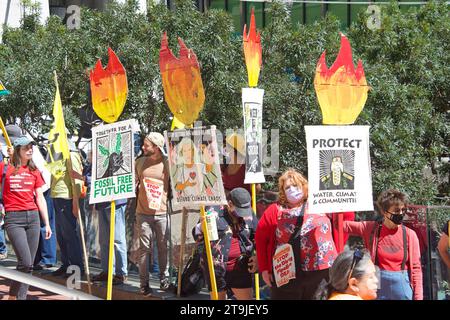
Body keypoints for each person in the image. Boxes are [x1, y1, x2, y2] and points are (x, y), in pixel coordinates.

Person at [255, 169, 338, 300]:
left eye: (295, 185)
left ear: (304, 186)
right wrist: (265, 269)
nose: (292, 189)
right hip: (287, 270)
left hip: (320, 271)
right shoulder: (275, 209)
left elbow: (343, 219)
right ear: (282, 191)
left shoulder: (321, 203)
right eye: (287, 187)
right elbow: (260, 239)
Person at [343, 189, 423, 300]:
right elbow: (343, 226)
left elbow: (416, 269)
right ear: (385, 212)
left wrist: (418, 297)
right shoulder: (371, 229)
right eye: (396, 210)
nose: (400, 214)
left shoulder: (410, 235)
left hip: (402, 288)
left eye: (403, 210)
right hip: (377, 286)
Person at [1, 136, 51, 299]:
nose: (30, 150)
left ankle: (18, 297)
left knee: (27, 266)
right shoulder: (4, 168)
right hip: (13, 219)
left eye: (31, 147)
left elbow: (40, 197)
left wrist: (47, 223)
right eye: (25, 148)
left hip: (33, 218)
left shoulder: (34, 170)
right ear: (17, 151)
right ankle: (13, 296)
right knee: (26, 262)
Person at [194, 188, 258, 300]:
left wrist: (257, 257)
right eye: (239, 210)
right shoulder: (212, 211)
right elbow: (197, 237)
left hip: (241, 266)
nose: (243, 214)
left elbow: (257, 237)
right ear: (229, 204)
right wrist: (201, 228)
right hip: (217, 268)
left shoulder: (249, 212)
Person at [135, 132, 171, 296]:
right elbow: (132, 181)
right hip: (143, 213)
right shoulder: (140, 162)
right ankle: (144, 284)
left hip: (162, 213)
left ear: (156, 147)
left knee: (163, 248)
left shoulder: (167, 163)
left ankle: (164, 279)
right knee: (144, 250)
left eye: (146, 145)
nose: (143, 147)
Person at [50, 143, 85, 277]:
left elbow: (77, 180)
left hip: (67, 197)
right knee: (61, 234)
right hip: (57, 196)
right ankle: (66, 264)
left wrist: (75, 202)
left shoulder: (71, 155)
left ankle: (76, 267)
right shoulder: (56, 156)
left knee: (70, 234)